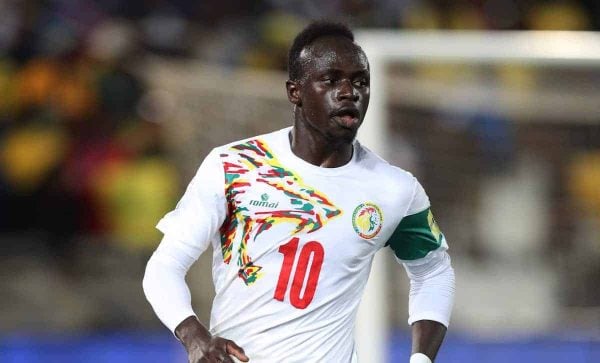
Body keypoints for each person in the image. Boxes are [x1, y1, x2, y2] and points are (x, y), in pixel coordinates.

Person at [143, 21, 455, 363]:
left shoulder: (394, 188)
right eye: (331, 80)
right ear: (295, 92)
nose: (349, 91)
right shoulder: (234, 165)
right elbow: (164, 267)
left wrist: (421, 359)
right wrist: (193, 336)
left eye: (360, 81)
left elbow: (433, 271)